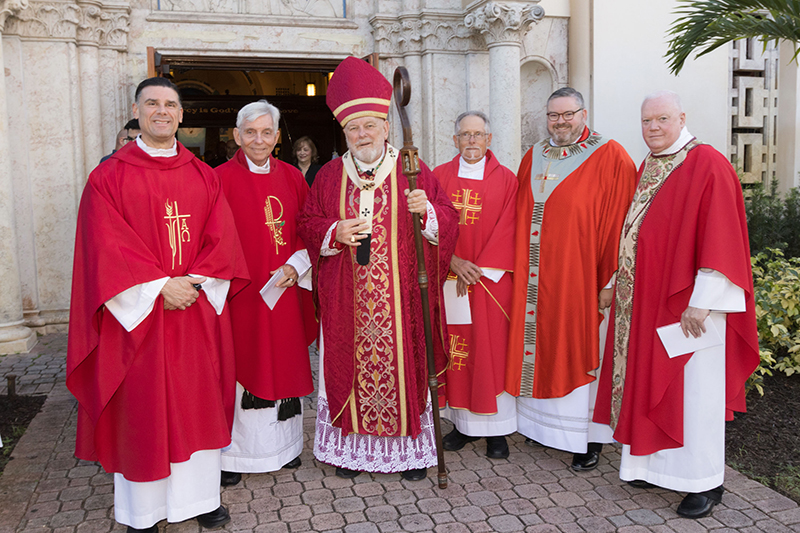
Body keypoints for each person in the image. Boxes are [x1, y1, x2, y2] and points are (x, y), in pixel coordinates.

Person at [67, 77, 248, 533]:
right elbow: (103, 245)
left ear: (182, 115)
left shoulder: (203, 174)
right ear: (137, 110)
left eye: (170, 104)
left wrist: (192, 282)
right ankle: (143, 512)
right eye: (152, 103)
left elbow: (223, 239)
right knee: (142, 408)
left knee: (197, 403)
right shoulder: (107, 176)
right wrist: (158, 287)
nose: (162, 111)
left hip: (195, 311)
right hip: (139, 319)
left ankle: (201, 499)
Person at [593, 91, 759, 519]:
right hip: (645, 300)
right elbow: (633, 231)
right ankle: (651, 466)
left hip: (688, 308)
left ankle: (703, 482)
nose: (652, 128)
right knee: (648, 383)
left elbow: (723, 241)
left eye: (662, 119)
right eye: (646, 121)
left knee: (692, 395)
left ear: (681, 117)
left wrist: (702, 302)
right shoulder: (650, 164)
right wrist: (615, 280)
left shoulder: (707, 163)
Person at [297, 56, 458, 481]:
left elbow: (448, 218)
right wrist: (334, 232)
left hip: (401, 299)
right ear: (344, 132)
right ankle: (351, 452)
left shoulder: (412, 170)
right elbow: (308, 223)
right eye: (353, 128)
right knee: (346, 367)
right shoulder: (330, 176)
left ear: (386, 126)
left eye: (369, 124)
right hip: (347, 298)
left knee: (406, 368)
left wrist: (429, 214)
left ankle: (409, 454)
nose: (362, 134)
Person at [505, 87, 636, 471]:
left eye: (568, 114)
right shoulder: (533, 155)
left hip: (580, 277)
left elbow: (621, 224)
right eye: (553, 115)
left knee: (580, 346)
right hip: (535, 277)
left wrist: (609, 278)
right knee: (540, 343)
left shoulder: (610, 155)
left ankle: (589, 439)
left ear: (583, 113)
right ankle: (541, 427)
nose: (560, 122)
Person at [216, 100, 317, 486]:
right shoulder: (218, 178)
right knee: (243, 364)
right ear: (237, 135)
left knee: (284, 359)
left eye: (266, 132)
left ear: (277, 137)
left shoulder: (293, 178)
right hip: (241, 294)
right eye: (251, 132)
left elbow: (308, 229)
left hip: (286, 290)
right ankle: (236, 455)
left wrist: (295, 266)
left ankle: (286, 449)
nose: (259, 140)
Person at [433, 111, 518, 459]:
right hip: (450, 278)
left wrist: (481, 269)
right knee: (457, 351)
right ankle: (461, 424)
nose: (471, 141)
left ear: (489, 139)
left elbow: (512, 226)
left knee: (491, 352)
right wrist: (452, 261)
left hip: (489, 283)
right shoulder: (438, 177)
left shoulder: (507, 180)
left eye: (478, 135)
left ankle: (498, 431)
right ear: (455, 141)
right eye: (465, 135)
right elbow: (426, 225)